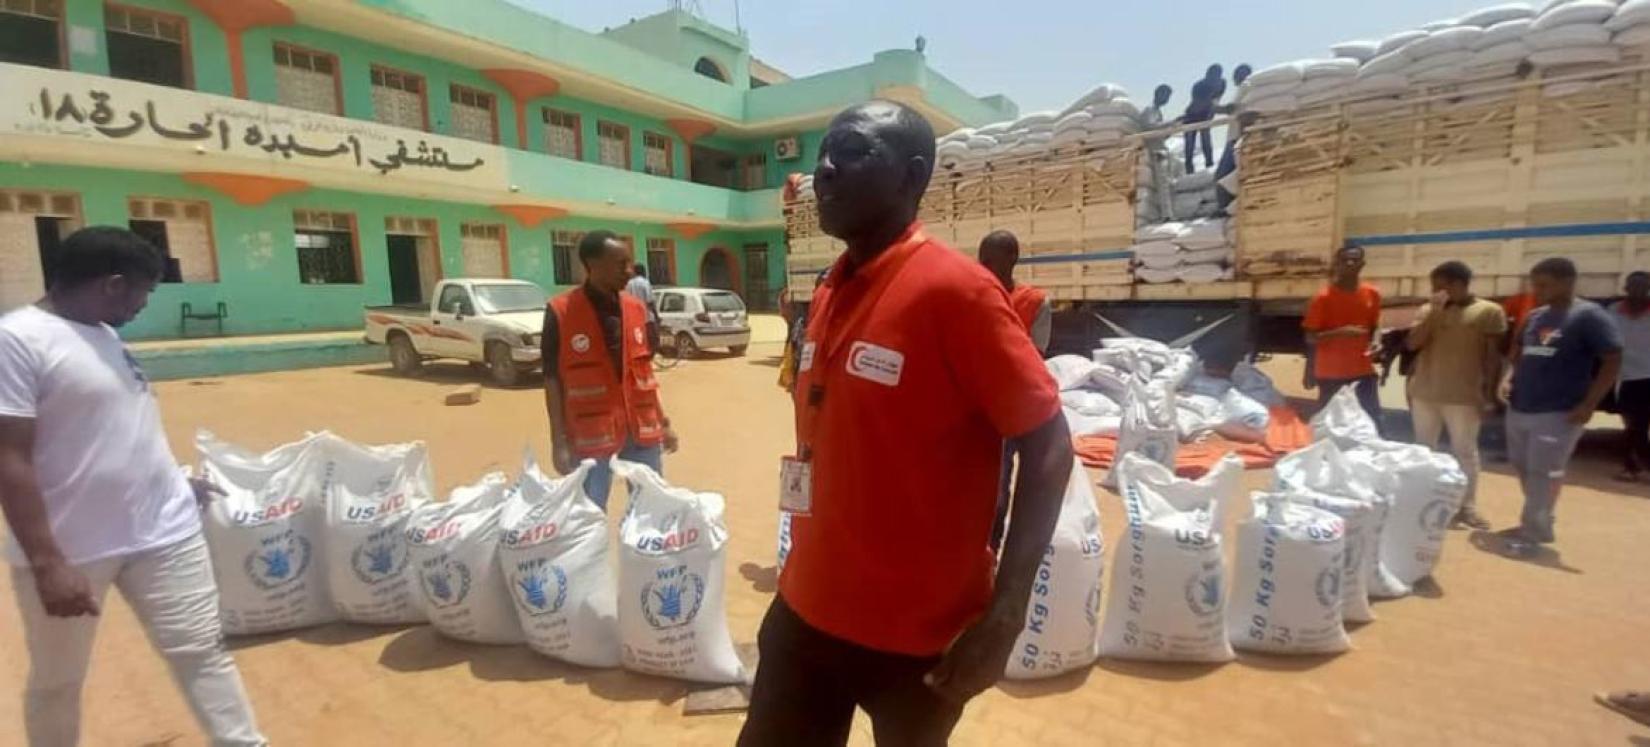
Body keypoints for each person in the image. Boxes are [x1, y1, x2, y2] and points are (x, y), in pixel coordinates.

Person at [739, 101, 1073, 746]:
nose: (825, 171)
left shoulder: (959, 293)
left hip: (918, 640)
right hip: (807, 611)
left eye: (853, 153)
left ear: (911, 175)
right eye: (822, 155)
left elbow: (1050, 446)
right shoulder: (832, 285)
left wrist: (1005, 618)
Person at [0, 226, 266, 746]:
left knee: (202, 652)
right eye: (145, 290)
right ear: (112, 284)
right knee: (58, 681)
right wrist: (49, 562)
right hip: (72, 551)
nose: (145, 303)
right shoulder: (16, 340)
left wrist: (173, 481)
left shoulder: (104, 333)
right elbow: (9, 456)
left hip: (163, 531)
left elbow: (115, 426)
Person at [541, 230, 680, 508]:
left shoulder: (636, 309)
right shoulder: (561, 311)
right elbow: (552, 380)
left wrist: (663, 424)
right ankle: (595, 553)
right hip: (592, 435)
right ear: (592, 265)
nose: (629, 271)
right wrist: (558, 441)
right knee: (589, 513)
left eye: (630, 263)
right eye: (621, 264)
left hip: (640, 429)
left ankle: (641, 552)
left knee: (651, 507)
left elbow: (643, 375)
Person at [1499, 257, 1623, 552]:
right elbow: (1518, 352)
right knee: (1524, 467)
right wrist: (1507, 378)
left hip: (1559, 411)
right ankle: (1539, 520)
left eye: (1544, 285)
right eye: (1534, 284)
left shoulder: (1589, 316)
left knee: (1544, 473)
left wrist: (1589, 403)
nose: (1537, 290)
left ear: (1567, 282)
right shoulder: (1536, 316)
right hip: (1521, 406)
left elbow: (1613, 358)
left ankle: (1533, 533)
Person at [1404, 261, 1508, 529]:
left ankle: (1466, 507)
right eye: (1434, 287)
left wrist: (1489, 393)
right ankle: (1423, 500)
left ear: (1460, 285)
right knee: (1423, 450)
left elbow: (1493, 357)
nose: (1436, 292)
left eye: (1441, 286)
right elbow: (1413, 343)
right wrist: (1434, 313)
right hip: (1425, 393)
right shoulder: (1428, 311)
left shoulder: (1488, 312)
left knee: (1465, 453)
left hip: (1463, 397)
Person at [1303, 243, 1384, 427]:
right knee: (1330, 425)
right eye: (1344, 260)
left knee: (1372, 422)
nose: (1349, 263)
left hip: (1363, 371)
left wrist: (1377, 340)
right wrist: (1341, 332)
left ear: (1362, 264)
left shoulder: (1372, 294)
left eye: (1354, 260)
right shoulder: (1322, 299)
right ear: (1336, 264)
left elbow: (1375, 324)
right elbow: (1310, 338)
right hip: (1331, 374)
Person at [977, 230, 1051, 355]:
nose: (982, 267)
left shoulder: (1035, 302)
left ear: (1012, 258)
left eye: (989, 261)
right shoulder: (972, 298)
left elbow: (1035, 356)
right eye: (982, 261)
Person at [1609, 270, 1650, 481]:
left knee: (1641, 425)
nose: (1639, 292)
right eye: (1634, 287)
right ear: (1625, 289)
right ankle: (1630, 467)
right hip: (1627, 378)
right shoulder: (1613, 312)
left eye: (1643, 288)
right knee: (1632, 425)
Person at [1141, 84, 1177, 221]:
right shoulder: (1149, 110)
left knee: (1169, 182)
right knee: (1162, 182)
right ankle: (1166, 215)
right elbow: (1148, 127)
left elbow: (1159, 132)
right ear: (1158, 94)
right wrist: (1169, 124)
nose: (1167, 100)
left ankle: (1168, 213)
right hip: (1155, 150)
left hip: (1161, 148)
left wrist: (1170, 131)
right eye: (1165, 96)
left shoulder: (1158, 112)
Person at [1183, 64, 1225, 172]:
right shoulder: (1198, 86)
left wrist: (1211, 114)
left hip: (1207, 114)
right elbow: (1198, 104)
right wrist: (1217, 108)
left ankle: (1209, 165)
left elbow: (1216, 100)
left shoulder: (1222, 84)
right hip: (1191, 115)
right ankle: (1189, 169)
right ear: (1207, 75)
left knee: (1206, 138)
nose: (1214, 78)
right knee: (1189, 143)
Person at [626, 263, 659, 352]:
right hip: (646, 317)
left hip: (633, 318)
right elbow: (650, 301)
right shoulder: (645, 282)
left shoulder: (628, 284)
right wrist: (656, 316)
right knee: (652, 342)